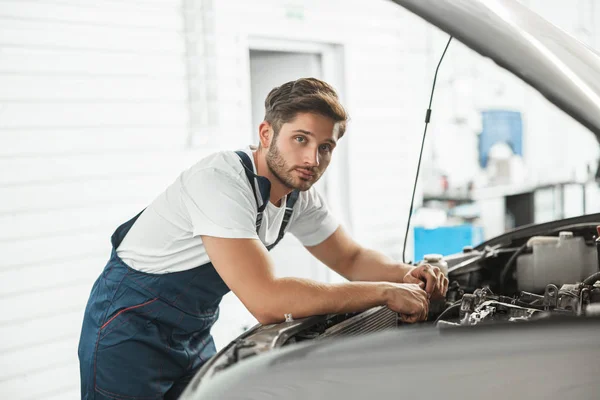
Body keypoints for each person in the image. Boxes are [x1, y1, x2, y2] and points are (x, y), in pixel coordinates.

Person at [78, 77, 448, 399]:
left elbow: (350, 259)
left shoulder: (297, 196)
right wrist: (385, 292)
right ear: (266, 133)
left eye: (325, 147)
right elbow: (267, 299)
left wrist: (408, 275)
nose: (312, 159)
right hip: (127, 333)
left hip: (190, 333)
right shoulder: (219, 180)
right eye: (300, 139)